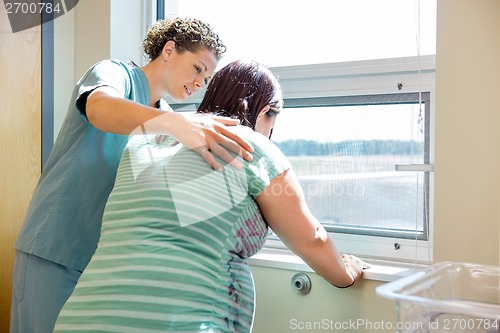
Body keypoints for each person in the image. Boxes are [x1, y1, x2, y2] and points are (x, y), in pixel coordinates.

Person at [53, 60, 367, 333]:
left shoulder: (144, 144)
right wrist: (346, 274)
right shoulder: (250, 145)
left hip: (82, 317)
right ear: (266, 110)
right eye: (274, 117)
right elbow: (311, 237)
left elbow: (170, 226)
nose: (272, 129)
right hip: (176, 323)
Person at [10, 17, 254, 333]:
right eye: (197, 69)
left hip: (103, 266)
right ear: (169, 50)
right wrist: (175, 124)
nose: (199, 83)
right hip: (55, 249)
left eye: (206, 79)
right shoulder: (115, 74)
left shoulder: (168, 117)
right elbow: (100, 108)